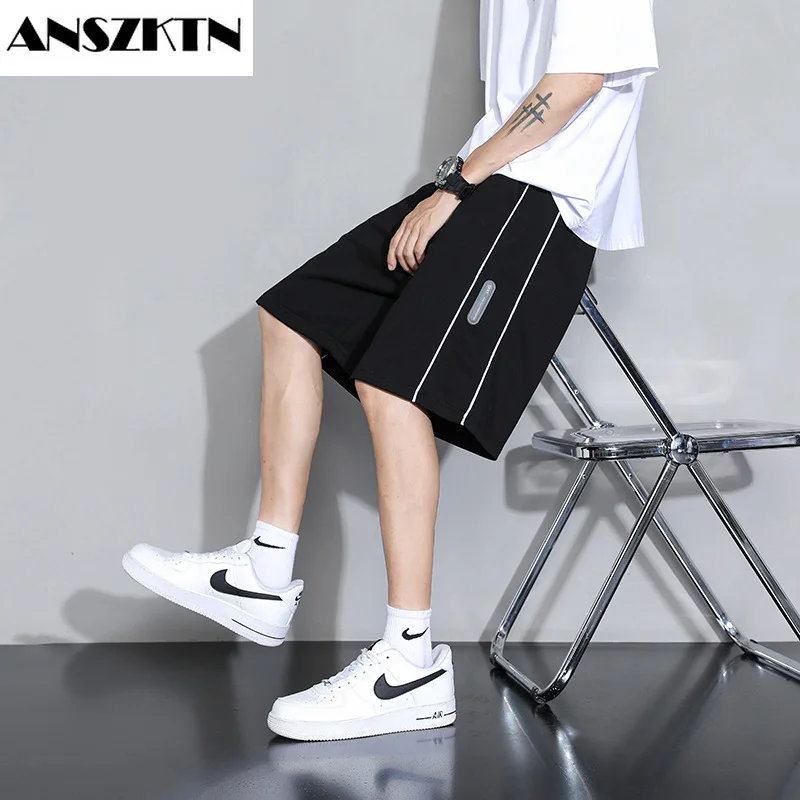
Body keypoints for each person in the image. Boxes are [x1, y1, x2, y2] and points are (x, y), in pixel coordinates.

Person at [122, 0, 659, 742]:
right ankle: (263, 573)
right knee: (296, 313)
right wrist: (462, 183)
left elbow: (576, 83)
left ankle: (408, 664)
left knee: (394, 384)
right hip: (493, 179)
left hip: (543, 197)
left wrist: (457, 186)